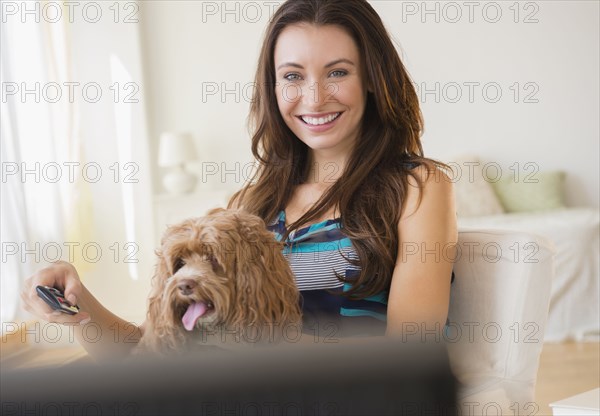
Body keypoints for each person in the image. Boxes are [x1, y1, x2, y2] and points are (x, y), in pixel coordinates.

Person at [20, 0, 456, 358]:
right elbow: (153, 353)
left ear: (373, 80)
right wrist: (81, 309)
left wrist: (246, 341)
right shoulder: (251, 204)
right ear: (273, 88)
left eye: (337, 72)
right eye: (292, 76)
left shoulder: (417, 189)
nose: (315, 96)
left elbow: (410, 357)